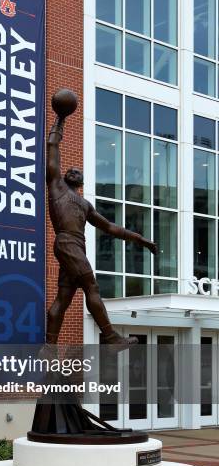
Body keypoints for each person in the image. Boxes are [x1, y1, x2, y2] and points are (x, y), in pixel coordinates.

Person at [46, 112, 157, 349]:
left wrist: (141, 240)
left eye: (78, 170)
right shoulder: (56, 187)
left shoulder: (85, 205)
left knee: (62, 300)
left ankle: (49, 348)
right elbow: (52, 147)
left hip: (75, 247)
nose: (73, 169)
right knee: (92, 286)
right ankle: (109, 337)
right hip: (67, 243)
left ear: (82, 182)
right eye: (71, 169)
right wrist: (60, 119)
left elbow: (110, 227)